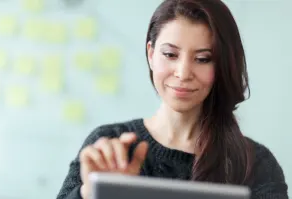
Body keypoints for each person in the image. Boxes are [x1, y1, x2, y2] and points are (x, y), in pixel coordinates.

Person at [56, 0, 289, 198]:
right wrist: (92, 192)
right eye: (170, 54)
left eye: (203, 58)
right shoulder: (108, 146)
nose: (183, 73)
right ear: (151, 54)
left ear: (222, 66)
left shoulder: (256, 164)